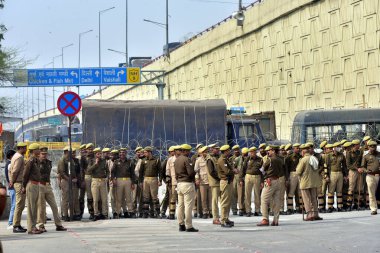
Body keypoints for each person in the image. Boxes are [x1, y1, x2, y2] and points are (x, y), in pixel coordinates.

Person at [37, 146, 67, 232]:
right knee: (41, 207)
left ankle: (58, 225)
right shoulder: (37, 162)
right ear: (39, 154)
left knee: (54, 206)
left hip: (47, 185)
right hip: (40, 185)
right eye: (42, 154)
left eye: (45, 154)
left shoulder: (49, 162)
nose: (44, 155)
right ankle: (41, 225)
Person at [174, 144, 198, 232]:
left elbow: (175, 174)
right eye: (189, 151)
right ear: (186, 151)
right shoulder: (187, 159)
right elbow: (190, 173)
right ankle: (189, 225)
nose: (189, 152)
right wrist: (195, 172)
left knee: (180, 205)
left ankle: (181, 224)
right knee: (188, 205)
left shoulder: (176, 160)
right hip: (187, 183)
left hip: (179, 183)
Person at [257, 145, 283, 226]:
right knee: (277, 201)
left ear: (273, 151)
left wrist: (266, 177)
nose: (268, 152)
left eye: (270, 150)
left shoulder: (270, 160)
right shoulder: (280, 159)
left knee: (264, 200)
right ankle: (276, 220)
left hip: (270, 181)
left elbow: (262, 170)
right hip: (278, 180)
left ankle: (265, 219)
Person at [296, 144, 323, 221]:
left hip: (305, 182)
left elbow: (298, 171)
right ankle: (315, 214)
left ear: (303, 151)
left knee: (307, 199)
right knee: (314, 198)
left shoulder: (303, 160)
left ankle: (309, 214)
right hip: (314, 181)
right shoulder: (314, 158)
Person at [23, 143, 43, 234]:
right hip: (31, 184)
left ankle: (34, 226)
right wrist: (23, 186)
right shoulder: (30, 161)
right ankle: (31, 228)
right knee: (31, 208)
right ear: (33, 151)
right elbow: (25, 175)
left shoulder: (36, 160)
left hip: (36, 184)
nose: (39, 151)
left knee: (34, 207)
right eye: (38, 149)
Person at [112, 148, 136, 218]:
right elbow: (113, 172)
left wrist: (133, 183)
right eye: (120, 152)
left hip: (128, 180)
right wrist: (113, 179)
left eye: (123, 152)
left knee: (129, 197)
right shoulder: (116, 162)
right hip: (119, 181)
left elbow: (132, 173)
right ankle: (118, 212)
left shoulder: (130, 161)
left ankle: (131, 212)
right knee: (118, 198)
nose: (122, 154)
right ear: (119, 154)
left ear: (126, 153)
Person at [9, 142, 28, 233]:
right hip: (19, 183)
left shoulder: (15, 156)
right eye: (25, 148)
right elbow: (15, 171)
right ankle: (16, 225)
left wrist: (11, 181)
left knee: (20, 204)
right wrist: (12, 181)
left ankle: (17, 224)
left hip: (17, 182)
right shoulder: (19, 157)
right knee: (19, 204)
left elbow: (10, 170)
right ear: (20, 148)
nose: (26, 149)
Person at [87, 147, 110, 220]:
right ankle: (96, 214)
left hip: (103, 181)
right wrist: (96, 164)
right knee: (95, 199)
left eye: (100, 153)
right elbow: (89, 170)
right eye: (97, 154)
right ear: (95, 154)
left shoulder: (104, 161)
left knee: (104, 199)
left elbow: (107, 171)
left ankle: (104, 213)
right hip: (95, 181)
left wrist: (107, 177)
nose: (99, 155)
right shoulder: (91, 161)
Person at [139, 146, 161, 218]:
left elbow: (160, 171)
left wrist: (160, 180)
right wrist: (140, 181)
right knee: (146, 197)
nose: (144, 153)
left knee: (154, 197)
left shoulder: (156, 160)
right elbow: (141, 172)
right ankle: (145, 213)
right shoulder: (143, 160)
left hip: (154, 179)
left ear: (149, 152)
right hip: (145, 179)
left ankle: (157, 212)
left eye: (145, 152)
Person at [240, 146, 263, 217]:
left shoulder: (260, 159)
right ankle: (248, 211)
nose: (252, 153)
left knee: (257, 194)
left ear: (255, 152)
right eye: (251, 152)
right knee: (247, 194)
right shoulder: (247, 159)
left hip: (257, 177)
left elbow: (263, 171)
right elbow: (243, 169)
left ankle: (257, 210)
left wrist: (262, 180)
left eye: (253, 152)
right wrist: (241, 179)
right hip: (248, 177)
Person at [359, 140, 379, 215]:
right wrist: (366, 170)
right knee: (371, 193)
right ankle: (373, 209)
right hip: (370, 176)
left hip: (379, 176)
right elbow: (362, 167)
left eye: (374, 146)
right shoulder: (366, 156)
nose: (373, 148)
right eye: (371, 146)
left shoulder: (379, 154)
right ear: (368, 147)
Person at [326, 142, 348, 212]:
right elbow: (326, 166)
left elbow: (344, 166)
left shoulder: (341, 155)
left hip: (340, 173)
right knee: (331, 191)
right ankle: (330, 206)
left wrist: (345, 175)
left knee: (339, 191)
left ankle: (340, 206)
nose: (339, 147)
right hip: (332, 173)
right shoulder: (329, 155)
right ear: (334, 147)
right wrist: (326, 176)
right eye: (337, 146)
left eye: (339, 146)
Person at [217, 145, 235, 228]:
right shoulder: (222, 160)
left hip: (228, 182)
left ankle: (226, 218)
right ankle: (223, 220)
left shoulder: (226, 159)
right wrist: (234, 171)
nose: (229, 151)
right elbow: (227, 171)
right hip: (225, 182)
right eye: (228, 150)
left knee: (228, 201)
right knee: (224, 201)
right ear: (225, 151)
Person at [194, 146, 212, 219]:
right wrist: (197, 179)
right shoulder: (198, 160)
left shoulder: (210, 159)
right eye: (204, 152)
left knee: (210, 198)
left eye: (206, 151)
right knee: (203, 198)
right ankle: (205, 212)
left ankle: (210, 211)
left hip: (210, 181)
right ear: (201, 153)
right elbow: (196, 171)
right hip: (202, 181)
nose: (205, 153)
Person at [206, 144, 221, 225]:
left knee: (223, 200)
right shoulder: (210, 159)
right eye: (216, 149)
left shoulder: (218, 157)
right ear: (212, 149)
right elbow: (212, 172)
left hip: (220, 182)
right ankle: (215, 218)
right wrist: (220, 177)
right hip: (215, 182)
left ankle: (224, 217)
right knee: (215, 201)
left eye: (218, 149)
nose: (218, 150)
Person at [285, 143, 302, 214]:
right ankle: (290, 208)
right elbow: (286, 168)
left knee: (300, 192)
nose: (298, 149)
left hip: (300, 174)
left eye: (299, 148)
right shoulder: (289, 157)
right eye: (297, 148)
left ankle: (300, 208)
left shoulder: (301, 156)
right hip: (292, 174)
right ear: (293, 148)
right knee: (291, 192)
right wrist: (287, 177)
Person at [165, 146, 178, 220]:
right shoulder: (170, 160)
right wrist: (168, 180)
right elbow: (167, 170)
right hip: (173, 182)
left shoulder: (182, 159)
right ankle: (172, 213)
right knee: (173, 198)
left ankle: (183, 214)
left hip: (181, 182)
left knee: (181, 199)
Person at [4, 149, 16, 229]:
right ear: (11, 156)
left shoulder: (8, 163)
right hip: (13, 187)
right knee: (14, 205)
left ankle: (12, 222)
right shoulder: (10, 164)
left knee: (14, 205)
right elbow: (11, 176)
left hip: (12, 187)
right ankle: (10, 222)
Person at [84, 143, 95, 220]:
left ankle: (96, 212)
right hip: (87, 177)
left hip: (95, 177)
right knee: (89, 196)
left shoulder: (96, 158)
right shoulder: (83, 158)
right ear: (86, 150)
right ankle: (91, 212)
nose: (90, 151)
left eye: (91, 149)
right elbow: (81, 170)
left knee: (96, 196)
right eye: (89, 149)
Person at [109, 149, 119, 218]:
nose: (113, 156)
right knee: (112, 197)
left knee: (119, 197)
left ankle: (119, 211)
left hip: (118, 181)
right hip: (111, 181)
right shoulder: (108, 162)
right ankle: (114, 212)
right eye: (112, 155)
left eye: (115, 154)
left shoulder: (118, 162)